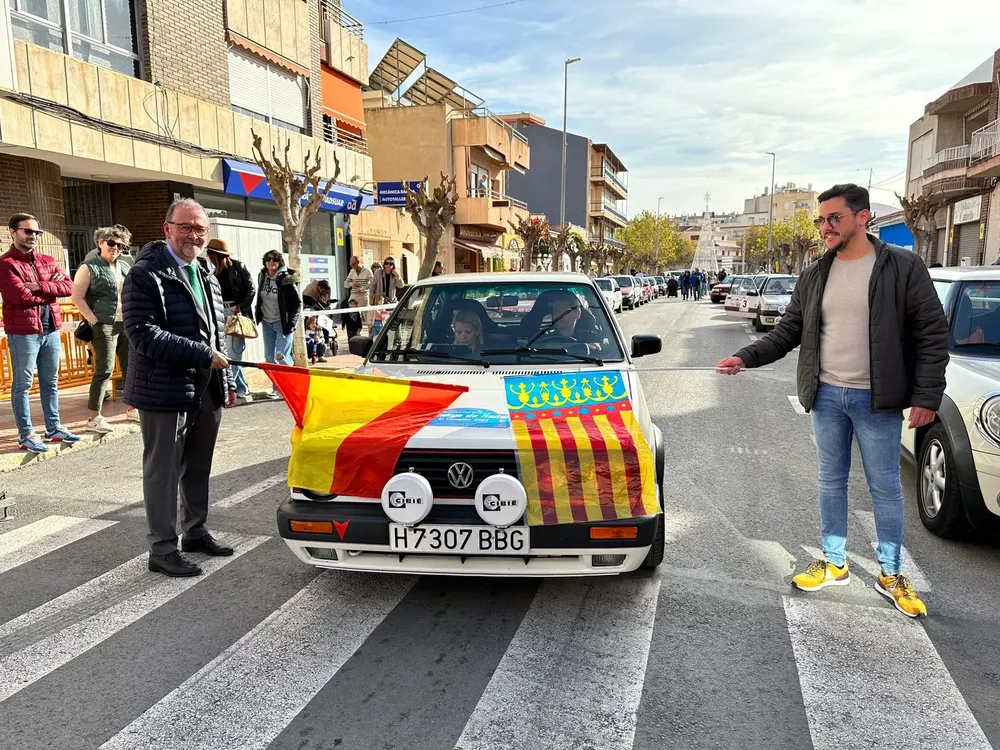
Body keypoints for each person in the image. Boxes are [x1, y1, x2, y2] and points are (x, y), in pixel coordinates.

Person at [716, 184, 949, 618]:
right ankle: (834, 562)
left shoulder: (901, 266)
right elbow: (788, 332)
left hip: (878, 399)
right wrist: (745, 357)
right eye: (821, 220)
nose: (825, 227)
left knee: (885, 488)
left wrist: (927, 395)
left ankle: (891, 573)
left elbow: (932, 333)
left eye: (834, 219)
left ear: (862, 218)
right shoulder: (815, 273)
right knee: (830, 481)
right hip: (826, 396)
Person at [122, 198, 236, 578]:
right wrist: (202, 354)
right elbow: (142, 335)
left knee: (198, 466)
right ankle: (162, 548)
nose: (193, 235)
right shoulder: (145, 274)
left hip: (206, 385)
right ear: (166, 228)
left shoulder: (205, 270)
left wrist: (226, 381)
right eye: (185, 227)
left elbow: (216, 329)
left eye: (200, 229)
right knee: (163, 471)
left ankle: (195, 531)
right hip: (163, 388)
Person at [0, 213, 80, 453]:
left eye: (36, 232)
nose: (33, 236)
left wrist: (39, 286)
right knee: (23, 384)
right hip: (24, 332)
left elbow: (68, 286)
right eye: (28, 231)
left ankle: (53, 428)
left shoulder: (47, 259)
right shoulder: (5, 264)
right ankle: (26, 434)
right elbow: (19, 296)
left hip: (51, 329)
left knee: (50, 381)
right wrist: (50, 289)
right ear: (12, 232)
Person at [71, 223, 138, 434]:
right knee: (105, 369)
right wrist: (93, 320)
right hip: (104, 324)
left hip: (125, 323)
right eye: (112, 243)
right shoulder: (89, 266)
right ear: (100, 242)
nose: (116, 248)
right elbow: (77, 297)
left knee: (132, 367)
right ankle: (94, 416)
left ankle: (132, 408)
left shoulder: (124, 266)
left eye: (121, 246)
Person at [206, 238, 254, 403]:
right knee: (225, 353)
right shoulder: (209, 270)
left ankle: (240, 390)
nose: (207, 256)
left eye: (210, 253)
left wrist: (240, 307)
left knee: (233, 354)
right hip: (218, 312)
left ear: (216, 254)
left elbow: (250, 289)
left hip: (235, 313)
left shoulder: (238, 267)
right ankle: (240, 389)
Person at [255, 250, 301, 397]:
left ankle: (290, 389)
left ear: (279, 261)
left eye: (274, 259)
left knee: (282, 356)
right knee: (269, 358)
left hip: (282, 322)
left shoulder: (286, 279)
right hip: (267, 321)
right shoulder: (262, 276)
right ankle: (277, 389)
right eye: (268, 259)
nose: (271, 262)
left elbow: (296, 304)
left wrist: (291, 323)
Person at [344, 255, 374, 328]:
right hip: (353, 295)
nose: (352, 266)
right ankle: (354, 333)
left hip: (363, 295)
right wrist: (352, 284)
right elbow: (345, 284)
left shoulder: (367, 271)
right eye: (350, 264)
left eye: (353, 264)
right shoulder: (352, 271)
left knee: (367, 316)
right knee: (351, 315)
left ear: (358, 262)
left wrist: (362, 289)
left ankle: (371, 333)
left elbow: (373, 283)